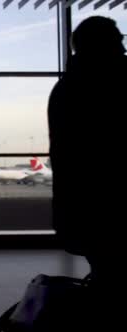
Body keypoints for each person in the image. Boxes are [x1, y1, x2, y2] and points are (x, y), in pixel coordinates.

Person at [48, 16, 126, 327]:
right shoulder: (114, 81)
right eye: (118, 40)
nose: (123, 46)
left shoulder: (66, 87)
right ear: (105, 44)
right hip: (113, 210)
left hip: (82, 211)